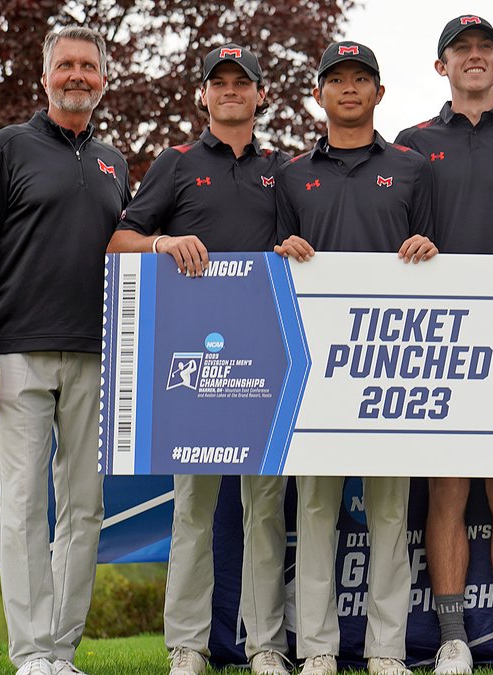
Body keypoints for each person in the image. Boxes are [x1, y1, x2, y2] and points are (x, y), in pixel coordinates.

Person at [106, 44, 292, 675]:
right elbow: (119, 240)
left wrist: (297, 246)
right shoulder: (176, 163)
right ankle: (186, 647)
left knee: (265, 513)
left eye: (244, 82)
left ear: (261, 95)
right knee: (192, 511)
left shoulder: (284, 168)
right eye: (221, 82)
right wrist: (164, 241)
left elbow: (301, 248)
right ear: (204, 96)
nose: (232, 91)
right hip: (192, 369)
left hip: (266, 363)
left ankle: (266, 645)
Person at [0, 26, 129, 675]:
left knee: (84, 505)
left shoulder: (115, 161)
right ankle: (31, 653)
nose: (77, 75)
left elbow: (131, 247)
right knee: (26, 503)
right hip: (19, 353)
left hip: (95, 353)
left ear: (104, 80)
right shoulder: (8, 147)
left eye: (89, 65)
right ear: (46, 76)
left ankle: (60, 650)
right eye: (67, 65)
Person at [392, 15, 493, 675]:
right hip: (437, 337)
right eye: (461, 50)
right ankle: (454, 638)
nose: (474, 58)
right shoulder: (410, 143)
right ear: (442, 68)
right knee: (446, 491)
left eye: (485, 49)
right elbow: (393, 231)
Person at [273, 41, 437, 675]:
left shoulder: (412, 168)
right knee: (314, 511)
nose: (348, 89)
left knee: (391, 512)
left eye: (360, 79)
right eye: (335, 80)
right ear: (318, 94)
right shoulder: (291, 174)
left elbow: (435, 257)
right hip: (314, 370)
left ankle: (386, 650)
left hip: (388, 368)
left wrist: (429, 246)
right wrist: (280, 247)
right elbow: (273, 266)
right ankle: (316, 649)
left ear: (380, 92)